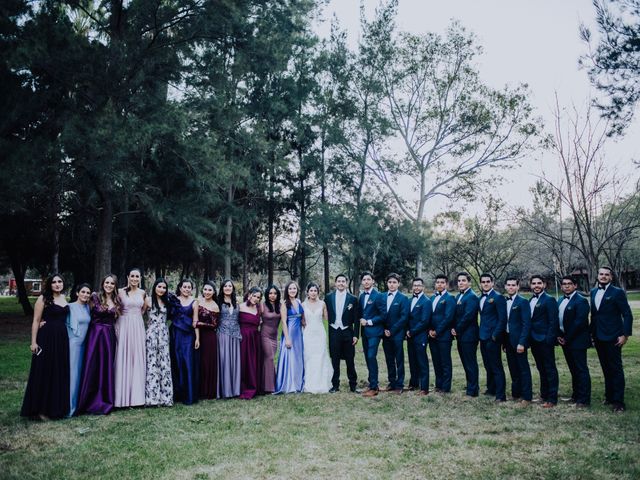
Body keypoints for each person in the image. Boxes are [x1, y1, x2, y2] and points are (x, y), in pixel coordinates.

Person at [21, 274, 70, 420]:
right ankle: (40, 410)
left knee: (58, 371)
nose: (57, 284)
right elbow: (36, 321)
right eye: (54, 282)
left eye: (59, 281)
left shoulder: (64, 298)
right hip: (46, 338)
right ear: (49, 284)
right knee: (44, 371)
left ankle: (56, 408)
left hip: (61, 339)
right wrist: (33, 342)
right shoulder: (43, 298)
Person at [590, 266, 633, 412]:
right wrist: (592, 334)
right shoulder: (593, 291)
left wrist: (625, 335)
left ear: (611, 277)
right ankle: (609, 397)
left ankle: (619, 402)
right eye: (601, 274)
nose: (603, 276)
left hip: (613, 336)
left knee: (615, 369)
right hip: (598, 336)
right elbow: (595, 316)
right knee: (605, 368)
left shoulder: (617, 292)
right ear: (598, 276)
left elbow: (627, 314)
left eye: (606, 275)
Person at [77, 274, 121, 415]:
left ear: (115, 286)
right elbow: (79, 307)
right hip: (95, 335)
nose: (109, 285)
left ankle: (105, 400)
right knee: (92, 365)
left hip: (109, 336)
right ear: (102, 284)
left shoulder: (117, 300)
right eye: (107, 282)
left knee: (106, 367)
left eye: (112, 283)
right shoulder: (94, 297)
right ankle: (88, 400)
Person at [557, 275, 591, 408]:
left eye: (569, 284)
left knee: (581, 369)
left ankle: (584, 400)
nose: (566, 286)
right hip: (565, 340)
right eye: (564, 284)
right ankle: (576, 395)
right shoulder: (560, 300)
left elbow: (579, 322)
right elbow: (558, 320)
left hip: (577, 340)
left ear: (575, 286)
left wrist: (567, 338)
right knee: (573, 369)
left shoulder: (581, 301)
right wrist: (559, 335)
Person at [115, 268, 147, 407]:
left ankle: (137, 397)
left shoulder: (143, 293)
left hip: (138, 325)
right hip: (124, 324)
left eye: (137, 276)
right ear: (128, 277)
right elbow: (115, 307)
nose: (134, 278)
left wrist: (136, 317)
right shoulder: (121, 292)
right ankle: (121, 396)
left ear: (140, 278)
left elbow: (143, 309)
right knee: (123, 356)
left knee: (136, 357)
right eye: (132, 276)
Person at [529, 275, 560, 408]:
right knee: (541, 368)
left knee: (550, 369)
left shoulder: (549, 300)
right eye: (534, 283)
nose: (536, 285)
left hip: (545, 340)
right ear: (530, 285)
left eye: (539, 283)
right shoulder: (530, 300)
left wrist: (549, 339)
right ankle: (544, 394)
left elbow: (553, 322)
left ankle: (552, 399)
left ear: (544, 284)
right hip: (534, 340)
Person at [325, 274, 359, 393]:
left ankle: (353, 385)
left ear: (346, 283)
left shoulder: (353, 299)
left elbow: (356, 319)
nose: (340, 283)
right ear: (335, 283)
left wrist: (356, 335)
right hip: (334, 331)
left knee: (350, 359)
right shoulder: (328, 297)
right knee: (335, 359)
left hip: (347, 331)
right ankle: (335, 385)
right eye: (338, 281)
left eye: (343, 281)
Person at [478, 273, 507, 403]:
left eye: (488, 281)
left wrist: (495, 336)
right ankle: (491, 389)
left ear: (492, 283)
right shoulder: (481, 298)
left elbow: (502, 319)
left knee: (496, 366)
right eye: (483, 281)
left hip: (493, 337)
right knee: (487, 365)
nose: (485, 283)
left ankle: (501, 395)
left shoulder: (498, 297)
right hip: (482, 336)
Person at [503, 277, 532, 406]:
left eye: (513, 285)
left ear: (518, 287)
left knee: (523, 369)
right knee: (513, 368)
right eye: (508, 285)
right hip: (508, 340)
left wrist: (522, 342)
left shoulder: (523, 302)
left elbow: (526, 324)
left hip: (519, 341)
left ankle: (526, 396)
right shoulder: (504, 301)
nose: (510, 287)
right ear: (505, 287)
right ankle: (516, 394)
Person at [144, 278, 173, 407]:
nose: (161, 289)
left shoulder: (167, 301)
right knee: (152, 363)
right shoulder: (148, 300)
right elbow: (141, 314)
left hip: (163, 333)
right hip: (151, 333)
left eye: (164, 287)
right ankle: (152, 398)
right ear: (154, 287)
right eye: (159, 286)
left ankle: (166, 397)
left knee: (164, 364)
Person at [171, 279, 200, 405]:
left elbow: (195, 321)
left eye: (189, 287)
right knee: (176, 361)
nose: (187, 289)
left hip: (189, 335)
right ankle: (177, 393)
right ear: (180, 288)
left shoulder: (194, 302)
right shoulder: (174, 300)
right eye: (185, 287)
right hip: (176, 333)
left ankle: (189, 394)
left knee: (187, 361)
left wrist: (198, 338)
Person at [451, 272, 479, 397]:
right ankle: (470, 386)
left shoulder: (472, 296)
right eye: (459, 281)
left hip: (469, 335)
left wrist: (457, 329)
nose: (461, 283)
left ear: (469, 282)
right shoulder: (458, 296)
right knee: (465, 362)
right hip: (461, 335)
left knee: (470, 362)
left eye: (463, 280)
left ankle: (473, 390)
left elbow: (468, 316)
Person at [274, 281, 305, 394]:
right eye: (290, 289)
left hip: (298, 333)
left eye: (294, 288)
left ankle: (297, 383)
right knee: (290, 357)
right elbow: (283, 322)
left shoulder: (298, 301)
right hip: (290, 332)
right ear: (287, 290)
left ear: (297, 290)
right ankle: (288, 383)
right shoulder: (284, 304)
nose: (292, 290)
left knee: (297, 357)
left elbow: (302, 318)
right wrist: (287, 338)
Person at [302, 282, 333, 393]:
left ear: (318, 292)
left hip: (320, 333)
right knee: (309, 357)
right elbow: (303, 321)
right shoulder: (303, 305)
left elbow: (327, 318)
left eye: (315, 291)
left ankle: (321, 382)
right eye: (311, 291)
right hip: (308, 333)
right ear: (308, 292)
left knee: (320, 356)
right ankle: (310, 383)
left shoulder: (322, 304)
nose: (313, 293)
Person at [381, 273, 409, 393]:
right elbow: (379, 314)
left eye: (394, 282)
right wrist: (383, 330)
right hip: (384, 333)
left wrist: (392, 331)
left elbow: (404, 318)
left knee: (399, 359)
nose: (392, 284)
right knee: (389, 359)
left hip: (397, 334)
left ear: (398, 284)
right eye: (390, 282)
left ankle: (400, 384)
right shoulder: (381, 297)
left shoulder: (403, 298)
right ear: (387, 283)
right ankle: (391, 382)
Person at [66, 283, 92, 416]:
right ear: (77, 293)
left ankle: (79, 404)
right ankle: (70, 407)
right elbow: (59, 320)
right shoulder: (69, 307)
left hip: (85, 345)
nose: (85, 295)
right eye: (83, 292)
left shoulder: (88, 308)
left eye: (88, 293)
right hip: (73, 345)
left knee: (82, 374)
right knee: (73, 376)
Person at [428, 274, 456, 393]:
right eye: (437, 282)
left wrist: (437, 331)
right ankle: (438, 385)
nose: (439, 284)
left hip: (444, 335)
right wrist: (429, 330)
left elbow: (448, 318)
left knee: (445, 362)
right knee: (436, 361)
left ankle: (446, 387)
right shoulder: (432, 298)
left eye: (442, 282)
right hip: (432, 336)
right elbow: (429, 316)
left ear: (446, 284)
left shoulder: (450, 298)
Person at [359, 272, 385, 397]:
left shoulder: (378, 296)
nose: (366, 281)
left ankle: (374, 387)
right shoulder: (361, 296)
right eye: (364, 280)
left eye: (369, 279)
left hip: (375, 332)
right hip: (364, 333)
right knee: (367, 358)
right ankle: (371, 384)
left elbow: (383, 315)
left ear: (373, 281)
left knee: (371, 356)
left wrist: (369, 322)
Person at [405, 277, 432, 395]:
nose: (416, 287)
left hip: (420, 336)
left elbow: (424, 321)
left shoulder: (426, 301)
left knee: (422, 361)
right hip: (410, 336)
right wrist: (407, 331)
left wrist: (412, 331)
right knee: (412, 360)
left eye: (419, 285)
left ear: (423, 287)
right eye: (414, 285)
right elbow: (407, 318)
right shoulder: (409, 300)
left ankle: (424, 388)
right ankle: (414, 383)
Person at [217, 279, 241, 398]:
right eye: (225, 286)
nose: (227, 288)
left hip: (236, 335)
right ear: (222, 288)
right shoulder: (218, 301)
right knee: (224, 360)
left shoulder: (236, 302)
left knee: (234, 361)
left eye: (230, 286)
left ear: (232, 288)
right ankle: (225, 390)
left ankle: (235, 389)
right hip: (223, 334)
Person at [238, 287, 263, 399]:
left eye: (258, 297)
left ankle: (254, 385)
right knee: (244, 362)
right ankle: (242, 387)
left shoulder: (259, 308)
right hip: (243, 337)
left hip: (255, 338)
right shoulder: (240, 306)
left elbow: (261, 323)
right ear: (249, 295)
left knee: (253, 362)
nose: (256, 298)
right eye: (254, 296)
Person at [197, 281, 219, 400]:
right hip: (197, 336)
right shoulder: (198, 302)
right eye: (205, 289)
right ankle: (199, 389)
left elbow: (214, 325)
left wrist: (199, 323)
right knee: (199, 362)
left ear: (214, 292)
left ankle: (208, 391)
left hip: (209, 337)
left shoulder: (215, 305)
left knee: (208, 363)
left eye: (210, 290)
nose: (207, 292)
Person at [261, 286, 281, 394]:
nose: (272, 295)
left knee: (268, 359)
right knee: (270, 358)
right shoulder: (262, 305)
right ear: (267, 294)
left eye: (274, 293)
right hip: (264, 335)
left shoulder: (280, 306)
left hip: (274, 337)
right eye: (270, 293)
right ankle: (270, 387)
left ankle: (265, 384)